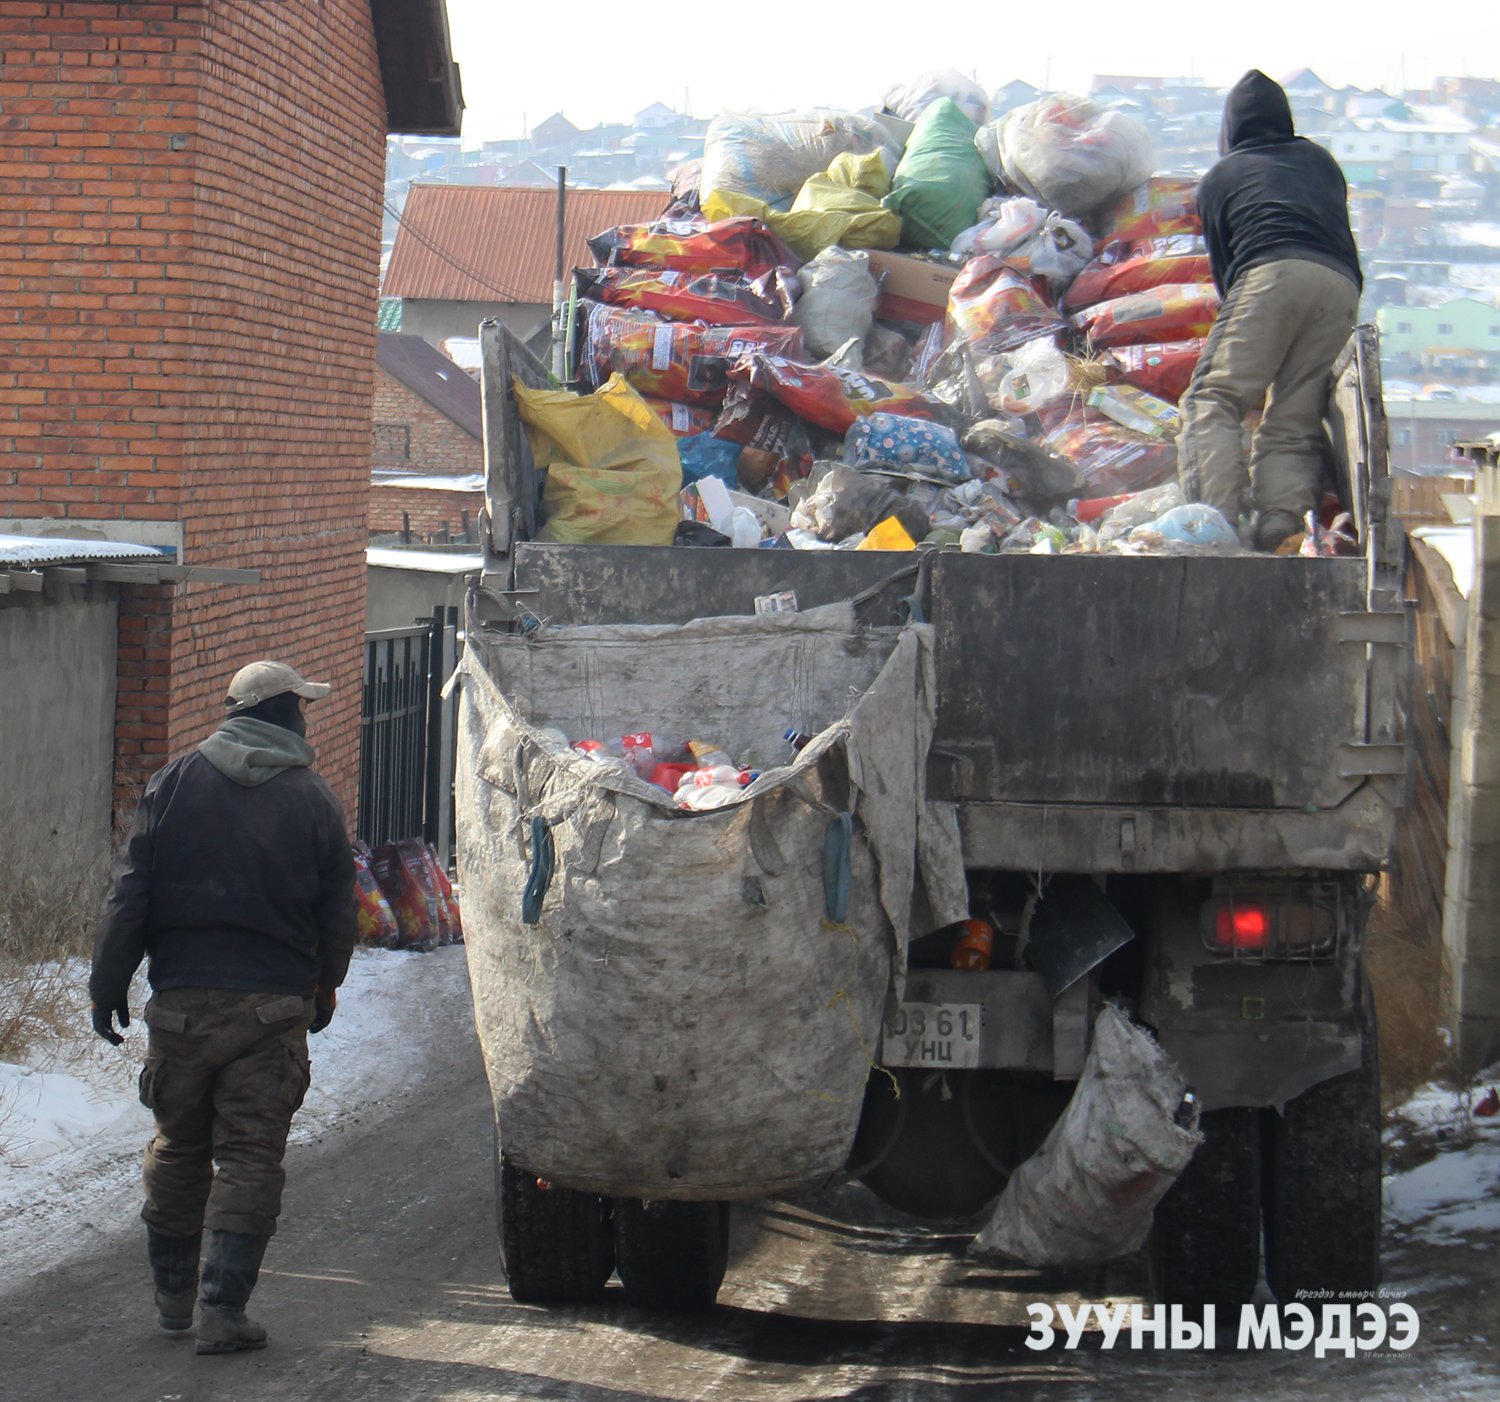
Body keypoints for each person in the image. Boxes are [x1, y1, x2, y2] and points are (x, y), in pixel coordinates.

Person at [89, 660, 356, 1356]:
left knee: (179, 1146)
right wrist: (325, 984)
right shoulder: (311, 799)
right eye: (300, 705)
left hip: (180, 1009)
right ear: (276, 714)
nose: (306, 717)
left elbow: (130, 893)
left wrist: (107, 982)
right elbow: (336, 914)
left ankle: (173, 1303)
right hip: (270, 1011)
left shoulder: (173, 783)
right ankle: (222, 1310)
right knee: (249, 1156)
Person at [1179, 69, 1363, 551]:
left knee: (1212, 398)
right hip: (1340, 286)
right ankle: (1281, 525)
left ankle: (1213, 523)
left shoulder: (1221, 176)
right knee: (1295, 415)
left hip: (1269, 273)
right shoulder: (1320, 161)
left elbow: (1228, 276)